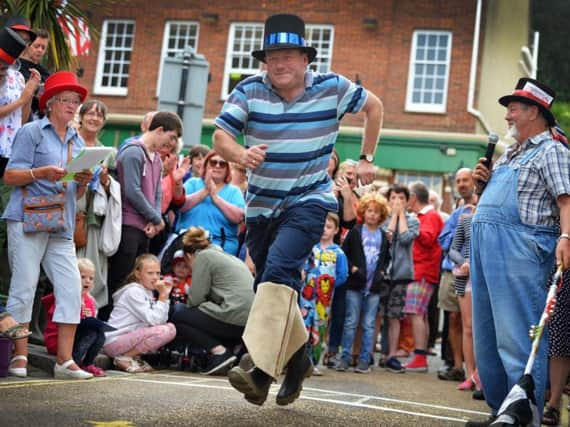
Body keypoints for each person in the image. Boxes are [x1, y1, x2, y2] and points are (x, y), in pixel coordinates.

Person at [213, 14, 383, 406]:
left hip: (310, 199)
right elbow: (221, 135)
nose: (280, 63)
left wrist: (367, 157)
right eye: (273, 55)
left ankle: (259, 369)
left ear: (306, 58)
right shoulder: (248, 90)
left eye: (289, 55)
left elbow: (374, 107)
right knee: (271, 287)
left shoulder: (332, 87)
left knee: (278, 271)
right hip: (261, 207)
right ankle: (299, 359)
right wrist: (241, 153)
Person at [466, 78, 570, 427]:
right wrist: (483, 185)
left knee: (516, 334)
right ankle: (501, 411)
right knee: (488, 335)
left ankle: (524, 414)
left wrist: (567, 236)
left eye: (514, 106)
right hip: (487, 249)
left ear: (535, 112)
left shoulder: (553, 149)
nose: (507, 114)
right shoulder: (510, 153)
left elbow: (566, 199)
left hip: (521, 249)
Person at [2, 70, 93, 379]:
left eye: (76, 101)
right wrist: (41, 173)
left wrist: (82, 181)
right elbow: (10, 176)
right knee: (24, 288)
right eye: (67, 100)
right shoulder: (32, 132)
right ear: (52, 103)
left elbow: (74, 191)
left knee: (71, 290)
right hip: (28, 218)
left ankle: (64, 361)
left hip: (61, 224)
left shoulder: (77, 139)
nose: (73, 106)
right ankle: (19, 357)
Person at [102, 111, 183, 321]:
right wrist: (156, 219)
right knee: (119, 280)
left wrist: (155, 220)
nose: (173, 144)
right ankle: (107, 329)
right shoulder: (132, 152)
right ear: (158, 130)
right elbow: (132, 191)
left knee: (136, 286)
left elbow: (156, 192)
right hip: (127, 226)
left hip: (145, 230)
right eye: (172, 137)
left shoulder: (156, 157)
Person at [170, 226, 254, 375]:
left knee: (178, 313)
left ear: (189, 256)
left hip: (233, 317)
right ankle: (231, 352)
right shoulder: (228, 257)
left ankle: (220, 352)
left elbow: (194, 301)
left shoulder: (203, 257)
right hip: (249, 323)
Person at [335, 193, 390, 374]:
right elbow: (344, 253)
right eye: (369, 211)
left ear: (381, 215)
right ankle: (345, 357)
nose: (373, 215)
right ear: (363, 212)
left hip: (373, 287)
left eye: (377, 212)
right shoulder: (356, 232)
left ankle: (365, 359)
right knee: (350, 321)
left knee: (368, 325)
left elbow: (386, 259)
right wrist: (352, 269)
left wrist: (381, 272)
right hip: (355, 284)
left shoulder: (383, 236)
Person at [75, 100, 121, 308]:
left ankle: (87, 311)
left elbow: (111, 186)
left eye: (99, 115)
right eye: (91, 114)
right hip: (72, 210)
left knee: (92, 269)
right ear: (81, 117)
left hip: (93, 218)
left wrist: (105, 180)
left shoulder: (106, 151)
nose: (94, 118)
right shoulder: (71, 142)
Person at [0, 27, 41, 252]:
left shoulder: (16, 76)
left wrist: (29, 95)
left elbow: (21, 120)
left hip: (10, 152)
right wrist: (21, 99)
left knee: (5, 218)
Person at [103, 253, 177, 373]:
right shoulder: (134, 291)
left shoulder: (148, 292)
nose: (155, 277)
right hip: (114, 341)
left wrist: (165, 297)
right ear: (138, 274)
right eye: (150, 273)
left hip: (126, 340)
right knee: (164, 330)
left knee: (170, 328)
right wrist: (163, 296)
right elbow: (154, 321)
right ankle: (124, 357)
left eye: (158, 273)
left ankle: (131, 356)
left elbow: (161, 320)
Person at [437, 168, 477, 383]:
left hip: (477, 275)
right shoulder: (456, 214)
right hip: (454, 272)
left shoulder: (483, 208)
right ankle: (458, 366)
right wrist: (460, 224)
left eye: (465, 180)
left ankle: (477, 372)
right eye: (458, 181)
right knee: (453, 319)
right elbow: (443, 241)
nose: (461, 184)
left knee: (473, 323)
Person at [402, 181, 444, 373]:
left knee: (415, 313)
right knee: (420, 313)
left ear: (413, 197)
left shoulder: (430, 216)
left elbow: (427, 239)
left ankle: (419, 356)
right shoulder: (426, 216)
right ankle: (420, 355)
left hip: (422, 271)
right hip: (420, 270)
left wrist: (411, 224)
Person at [300, 211, 348, 374]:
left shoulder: (338, 253)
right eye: (322, 226)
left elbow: (343, 275)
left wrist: (330, 286)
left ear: (336, 230)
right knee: (303, 326)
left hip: (324, 299)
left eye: (328, 227)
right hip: (306, 296)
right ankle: (299, 360)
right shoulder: (311, 248)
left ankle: (313, 362)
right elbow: (304, 267)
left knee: (319, 328)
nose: (324, 230)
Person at [42, 258, 107, 377]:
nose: (87, 281)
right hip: (58, 340)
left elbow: (89, 323)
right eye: (83, 277)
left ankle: (88, 363)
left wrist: (89, 318)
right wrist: (79, 314)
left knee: (100, 334)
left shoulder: (90, 300)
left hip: (75, 337)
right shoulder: (64, 296)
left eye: (91, 278)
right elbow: (56, 318)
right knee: (91, 333)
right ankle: (75, 362)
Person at [380, 183, 419, 373]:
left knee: (394, 316)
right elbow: (387, 236)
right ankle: (370, 354)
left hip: (402, 274)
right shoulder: (383, 218)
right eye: (394, 198)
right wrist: (392, 217)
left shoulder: (413, 220)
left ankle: (391, 355)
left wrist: (400, 215)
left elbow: (404, 238)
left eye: (401, 198)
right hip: (382, 274)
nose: (397, 202)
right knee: (379, 314)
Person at [177, 150, 245, 256]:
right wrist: (205, 192)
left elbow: (239, 217)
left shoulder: (234, 191)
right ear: (206, 165)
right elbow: (181, 206)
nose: (217, 166)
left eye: (222, 164)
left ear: (227, 169)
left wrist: (215, 198)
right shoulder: (192, 183)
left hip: (221, 245)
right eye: (213, 162)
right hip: (188, 242)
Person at [448, 205, 481, 393]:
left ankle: (483, 376)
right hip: (466, 279)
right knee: (468, 327)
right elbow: (453, 250)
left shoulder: (497, 220)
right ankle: (470, 376)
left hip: (487, 278)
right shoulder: (466, 219)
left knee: (482, 329)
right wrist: (463, 262)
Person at [17, 28, 51, 121]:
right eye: (37, 46)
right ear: (28, 45)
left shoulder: (46, 73)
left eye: (43, 47)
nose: (40, 50)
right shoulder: (16, 67)